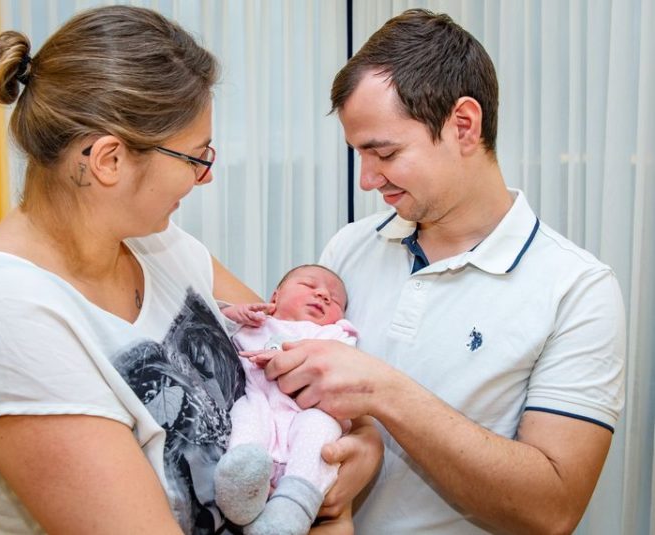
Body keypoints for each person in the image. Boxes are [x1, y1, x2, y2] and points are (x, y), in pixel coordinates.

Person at [0, 6, 381, 535]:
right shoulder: (0, 315)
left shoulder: (159, 242)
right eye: (195, 156)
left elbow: (304, 362)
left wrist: (364, 449)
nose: (206, 177)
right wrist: (332, 516)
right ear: (109, 160)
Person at [258, 9, 627, 535]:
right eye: (358, 155)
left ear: (463, 126)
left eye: (383, 152)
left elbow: (554, 507)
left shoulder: (578, 289)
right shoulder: (348, 248)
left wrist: (387, 392)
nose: (366, 180)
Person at [214, 265, 357, 534]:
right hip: (260, 402)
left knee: (321, 428)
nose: (324, 295)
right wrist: (232, 314)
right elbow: (210, 328)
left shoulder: (334, 335)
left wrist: (288, 358)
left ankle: (292, 508)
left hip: (305, 412)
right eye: (309, 285)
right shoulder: (258, 322)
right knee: (245, 414)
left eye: (335, 299)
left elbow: (342, 368)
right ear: (275, 297)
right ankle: (240, 486)